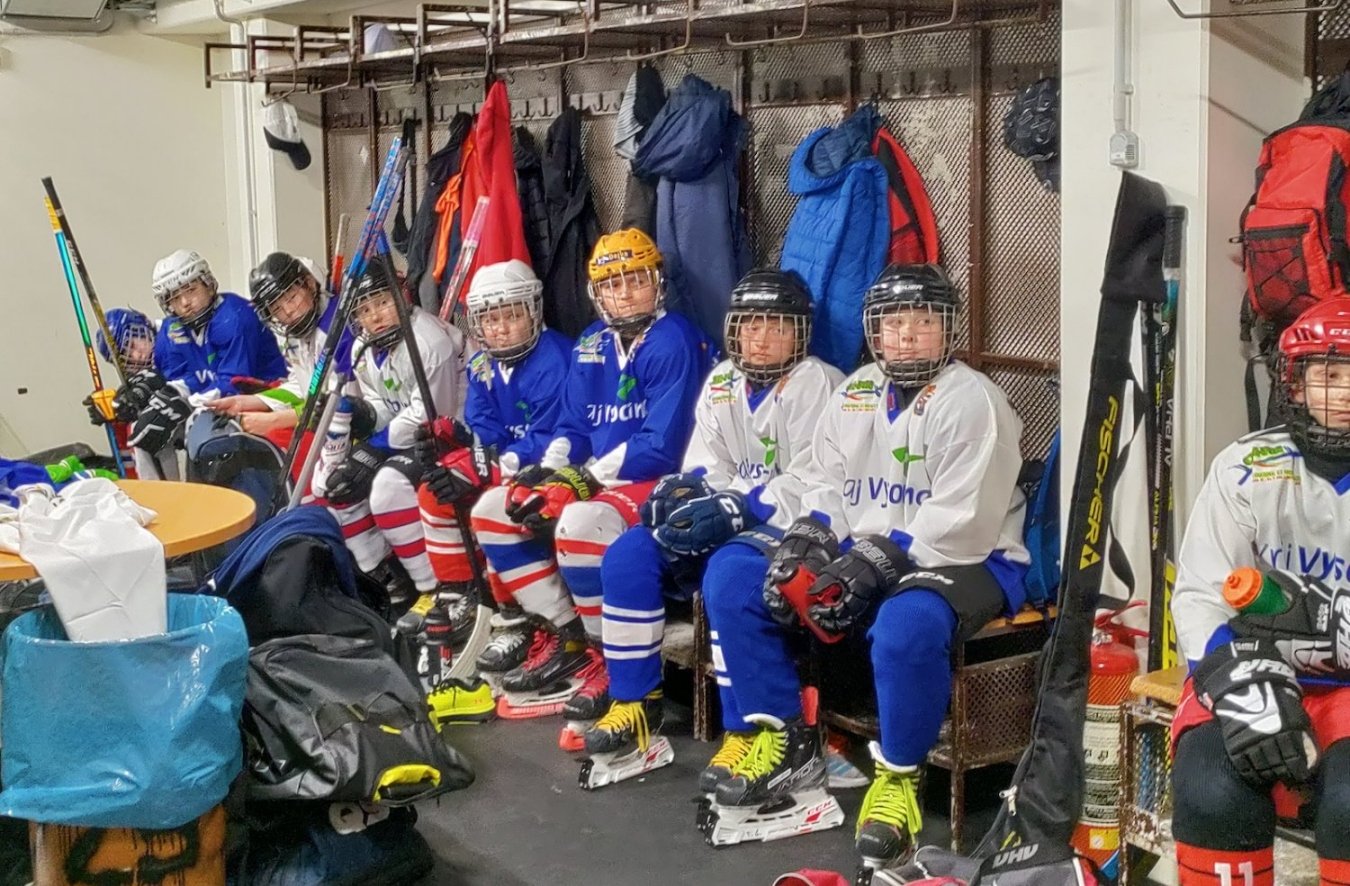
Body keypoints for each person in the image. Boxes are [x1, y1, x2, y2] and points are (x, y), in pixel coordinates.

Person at [703, 264, 1028, 863]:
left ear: (948, 329)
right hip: (866, 549)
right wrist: (812, 534)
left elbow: (966, 516)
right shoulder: (855, 393)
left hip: (971, 554)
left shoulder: (974, 400)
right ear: (874, 331)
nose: (906, 335)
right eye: (893, 323)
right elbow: (823, 481)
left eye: (923, 322)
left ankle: (899, 779)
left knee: (906, 626)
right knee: (738, 575)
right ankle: (787, 740)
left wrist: (877, 559)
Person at [577, 268, 842, 781]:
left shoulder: (820, 383)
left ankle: (749, 730)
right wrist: (688, 495)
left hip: (788, 523)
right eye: (750, 325)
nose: (760, 338)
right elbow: (705, 463)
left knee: (727, 575)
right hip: (730, 514)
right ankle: (635, 703)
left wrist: (742, 507)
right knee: (630, 554)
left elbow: (817, 478)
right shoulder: (722, 379)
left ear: (801, 332)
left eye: (776, 326)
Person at [467, 228, 715, 719]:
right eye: (611, 284)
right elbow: (573, 426)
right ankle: (570, 637)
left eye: (636, 280)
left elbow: (661, 445)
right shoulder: (590, 343)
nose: (624, 294)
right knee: (496, 507)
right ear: (596, 292)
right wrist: (549, 470)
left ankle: (609, 658)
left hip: (662, 482)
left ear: (658, 282)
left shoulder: (675, 340)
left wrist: (583, 480)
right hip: (599, 478)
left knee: (580, 524)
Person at [1169, 299, 1350, 886]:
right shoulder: (1245, 467)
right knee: (1211, 789)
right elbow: (1202, 593)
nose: (1345, 393)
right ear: (1295, 383)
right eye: (1329, 374)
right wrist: (1240, 682)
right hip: (1253, 670)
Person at [413, 260, 571, 661]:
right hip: (510, 464)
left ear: (533, 311)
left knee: (495, 508)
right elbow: (486, 430)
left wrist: (488, 464)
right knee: (434, 489)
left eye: (511, 316)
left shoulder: (557, 358)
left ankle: (523, 617)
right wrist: (459, 441)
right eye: (489, 318)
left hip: (554, 468)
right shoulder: (482, 365)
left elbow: (554, 435)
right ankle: (462, 592)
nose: (500, 328)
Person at [315, 263, 468, 612]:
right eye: (365, 309)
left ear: (402, 295)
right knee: (338, 485)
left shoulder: (429, 342)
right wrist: (363, 416)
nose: (375, 316)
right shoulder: (365, 347)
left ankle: (433, 587)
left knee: (388, 486)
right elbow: (383, 404)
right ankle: (386, 576)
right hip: (406, 434)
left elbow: (432, 415)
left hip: (453, 434)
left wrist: (375, 446)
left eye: (383, 302)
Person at [116, 250, 287, 480]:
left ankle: (203, 498)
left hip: (257, 399)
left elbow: (234, 384)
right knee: (145, 430)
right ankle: (166, 497)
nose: (185, 303)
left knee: (199, 431)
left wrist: (185, 402)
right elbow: (180, 378)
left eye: (191, 290)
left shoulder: (235, 316)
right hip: (209, 403)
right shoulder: (171, 330)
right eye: (175, 297)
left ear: (208, 283)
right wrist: (161, 394)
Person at [207, 252, 354, 443]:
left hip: (352, 434)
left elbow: (344, 403)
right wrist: (249, 402)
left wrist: (275, 420)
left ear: (309, 284)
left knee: (272, 439)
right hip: (326, 427)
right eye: (276, 308)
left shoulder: (339, 329)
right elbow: (304, 388)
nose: (288, 311)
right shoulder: (295, 337)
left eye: (291, 297)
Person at [84, 308, 158, 469]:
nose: (136, 356)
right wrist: (113, 408)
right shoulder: (139, 373)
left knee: (145, 427)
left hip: (198, 407)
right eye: (126, 356)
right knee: (125, 424)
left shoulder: (172, 338)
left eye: (132, 345)